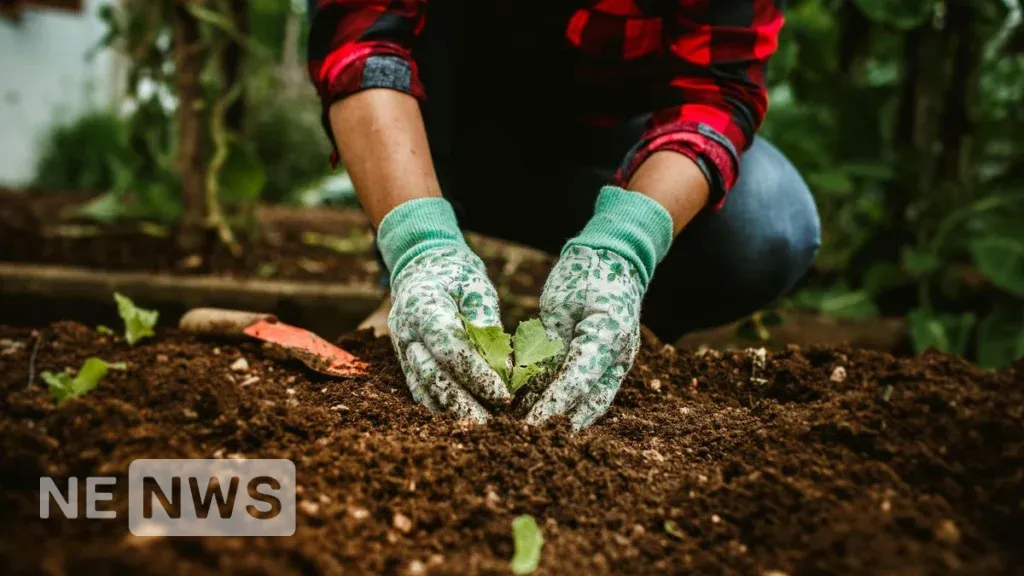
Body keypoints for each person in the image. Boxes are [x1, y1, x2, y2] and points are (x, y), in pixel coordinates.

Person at [306, 0, 820, 430]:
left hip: (607, 152)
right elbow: (362, 40)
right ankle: (412, 285)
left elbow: (716, 92)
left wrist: (623, 245)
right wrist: (420, 246)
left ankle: (608, 327)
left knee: (766, 225)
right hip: (438, 134)